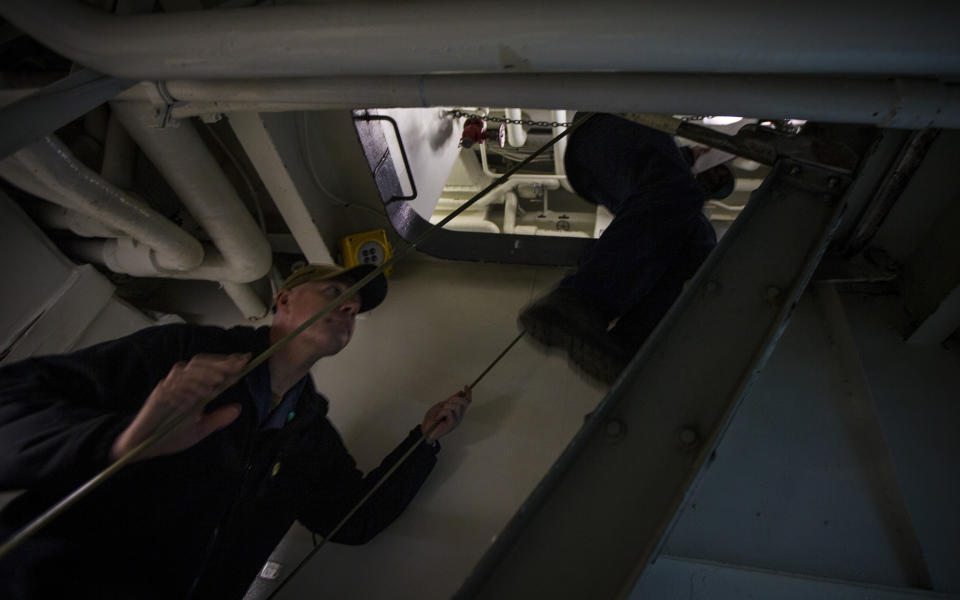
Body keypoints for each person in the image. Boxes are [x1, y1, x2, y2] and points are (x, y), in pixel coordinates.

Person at [0, 263, 471, 599]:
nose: (348, 308)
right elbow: (13, 400)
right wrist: (122, 441)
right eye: (335, 293)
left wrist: (424, 440)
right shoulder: (183, 352)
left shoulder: (310, 437)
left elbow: (353, 519)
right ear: (283, 299)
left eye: (355, 309)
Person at [519, 113, 734, 384]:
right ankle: (580, 300)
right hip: (609, 124)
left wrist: (688, 158)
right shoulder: (670, 173)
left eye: (714, 182)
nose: (711, 178)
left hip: (601, 159)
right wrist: (689, 156)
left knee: (696, 239)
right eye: (715, 174)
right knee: (680, 195)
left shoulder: (667, 177)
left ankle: (628, 342)